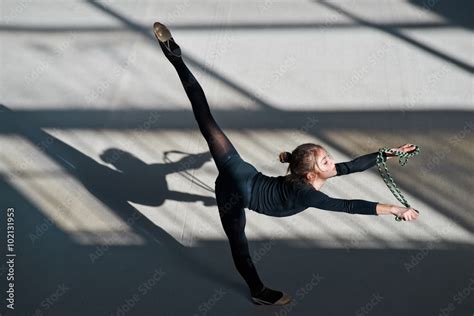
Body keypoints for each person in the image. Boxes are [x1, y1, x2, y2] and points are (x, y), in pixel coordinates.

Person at [152, 22, 420, 305]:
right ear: (312, 173)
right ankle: (257, 291)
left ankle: (176, 61)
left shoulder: (311, 176)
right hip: (234, 190)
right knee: (238, 244)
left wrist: (387, 153)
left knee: (206, 120)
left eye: (328, 158)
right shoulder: (307, 192)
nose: (334, 163)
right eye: (327, 160)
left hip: (239, 169)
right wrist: (393, 209)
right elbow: (348, 206)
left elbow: (352, 165)